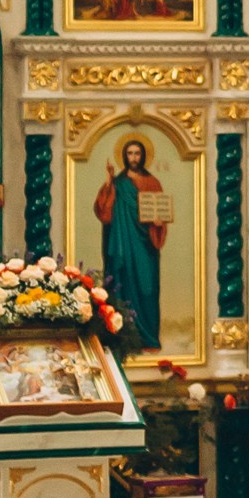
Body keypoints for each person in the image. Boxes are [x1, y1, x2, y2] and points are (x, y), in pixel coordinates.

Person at [94, 135, 169, 353]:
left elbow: (160, 212)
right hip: (122, 247)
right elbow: (104, 213)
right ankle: (123, 338)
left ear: (143, 156)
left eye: (137, 153)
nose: (133, 157)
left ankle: (149, 337)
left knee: (147, 289)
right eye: (130, 153)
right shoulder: (117, 184)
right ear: (124, 156)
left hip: (145, 247)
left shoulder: (152, 183)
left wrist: (158, 223)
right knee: (123, 287)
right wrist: (108, 183)